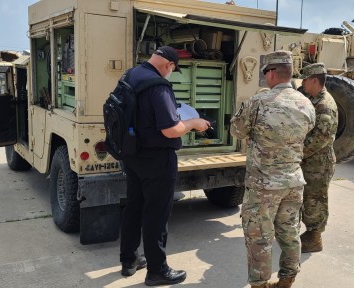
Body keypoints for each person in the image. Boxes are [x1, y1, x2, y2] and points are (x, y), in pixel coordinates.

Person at [119, 46, 210, 286]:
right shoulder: (158, 86)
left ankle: (129, 260)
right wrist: (194, 122)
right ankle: (157, 271)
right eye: (173, 69)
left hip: (133, 154)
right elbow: (171, 130)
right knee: (156, 215)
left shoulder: (131, 75)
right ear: (169, 65)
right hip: (157, 159)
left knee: (134, 207)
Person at [231, 50, 316, 288]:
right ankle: (287, 279)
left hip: (264, 185)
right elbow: (307, 132)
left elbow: (237, 131)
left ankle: (260, 284)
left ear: (270, 74)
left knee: (259, 237)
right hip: (293, 182)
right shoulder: (307, 103)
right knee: (289, 232)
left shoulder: (258, 102)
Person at [297, 63, 338, 253]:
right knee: (304, 198)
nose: (302, 82)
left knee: (315, 200)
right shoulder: (309, 97)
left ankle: (314, 237)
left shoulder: (325, 106)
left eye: (305, 79)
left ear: (314, 80)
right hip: (307, 160)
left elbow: (319, 139)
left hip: (318, 163)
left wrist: (295, 154)